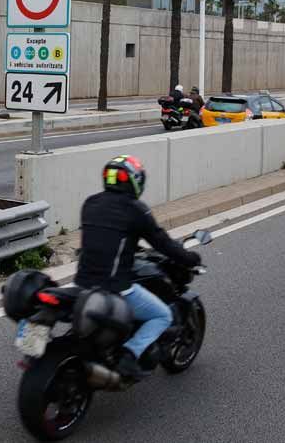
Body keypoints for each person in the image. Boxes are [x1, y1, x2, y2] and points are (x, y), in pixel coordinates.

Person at [75, 155, 202, 379]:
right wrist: (190, 258)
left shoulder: (90, 203)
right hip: (115, 287)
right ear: (135, 181)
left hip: (83, 284)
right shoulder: (135, 210)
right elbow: (163, 244)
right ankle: (129, 354)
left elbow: (108, 236)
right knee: (162, 315)